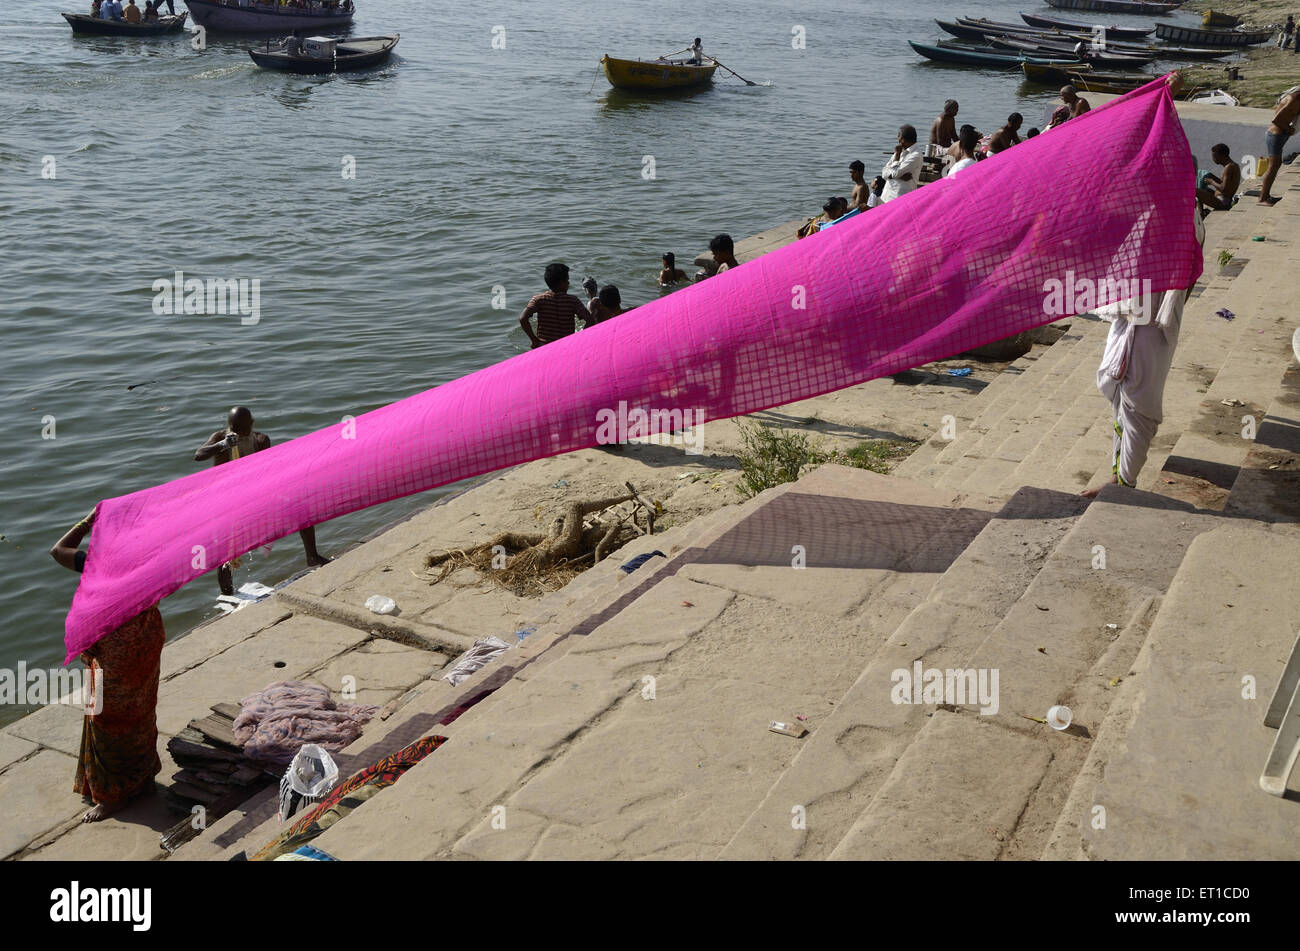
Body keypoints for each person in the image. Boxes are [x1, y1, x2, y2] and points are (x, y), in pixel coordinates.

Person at [51, 511, 166, 823]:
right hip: (143, 648)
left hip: (116, 655)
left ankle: (112, 797)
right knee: (141, 714)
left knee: (107, 722)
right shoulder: (151, 565)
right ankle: (141, 782)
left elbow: (57, 550)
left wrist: (87, 522)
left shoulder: (99, 565)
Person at [1083, 209, 1206, 498]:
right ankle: (1119, 471)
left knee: (1139, 405)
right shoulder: (1165, 208)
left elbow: (1189, 274)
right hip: (1133, 315)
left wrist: (1164, 312)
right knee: (1113, 385)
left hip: (1152, 322)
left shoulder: (1182, 216)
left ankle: (1125, 482)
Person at [194, 406, 330, 596]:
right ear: (229, 426)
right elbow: (199, 455)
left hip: (256, 494)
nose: (239, 433)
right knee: (227, 548)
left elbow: (269, 470)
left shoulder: (260, 440)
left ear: (251, 424)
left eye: (243, 428)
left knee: (300, 509)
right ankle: (227, 593)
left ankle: (312, 556)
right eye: (235, 429)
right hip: (227, 499)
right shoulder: (220, 438)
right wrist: (222, 445)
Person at [519, 262, 590, 347]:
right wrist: (577, 338)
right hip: (566, 345)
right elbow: (590, 320)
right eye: (567, 280)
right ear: (562, 282)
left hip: (544, 346)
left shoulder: (538, 299)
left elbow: (522, 318)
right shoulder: (572, 301)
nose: (568, 283)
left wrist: (534, 339)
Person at [1259, 86, 1300, 204]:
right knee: (1273, 166)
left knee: (1275, 165)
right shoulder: (1295, 98)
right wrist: (1289, 129)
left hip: (1279, 135)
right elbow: (1276, 119)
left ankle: (1266, 196)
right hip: (1276, 135)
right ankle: (1263, 198)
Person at [880, 125, 923, 203]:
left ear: (902, 139)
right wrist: (898, 177)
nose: (897, 139)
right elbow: (884, 173)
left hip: (900, 199)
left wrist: (897, 155)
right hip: (886, 197)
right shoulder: (901, 150)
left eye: (898, 136)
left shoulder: (915, 155)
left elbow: (895, 173)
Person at [1196, 143, 1241, 214]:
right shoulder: (1232, 165)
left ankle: (1200, 215)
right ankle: (1201, 214)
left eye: (1214, 157)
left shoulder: (1229, 167)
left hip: (1223, 202)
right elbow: (1226, 185)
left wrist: (1211, 182)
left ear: (1221, 156)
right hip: (1221, 198)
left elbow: (1223, 188)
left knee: (1195, 191)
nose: (1213, 159)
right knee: (1202, 188)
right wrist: (1212, 176)